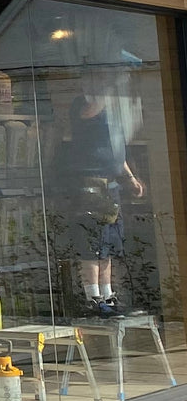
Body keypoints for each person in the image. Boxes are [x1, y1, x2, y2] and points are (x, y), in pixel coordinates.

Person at [64, 86, 144, 317]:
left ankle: (108, 295)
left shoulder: (114, 117)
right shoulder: (84, 103)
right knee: (91, 243)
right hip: (91, 185)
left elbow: (116, 152)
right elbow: (86, 113)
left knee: (108, 243)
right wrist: (107, 93)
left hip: (111, 185)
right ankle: (93, 298)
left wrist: (130, 179)